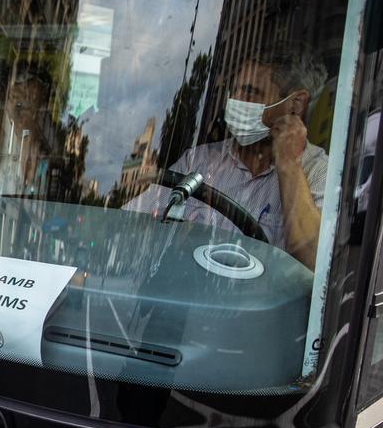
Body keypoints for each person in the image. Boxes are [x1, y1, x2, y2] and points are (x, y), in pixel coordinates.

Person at [124, 44, 329, 269]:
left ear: (295, 104)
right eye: (234, 91)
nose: (234, 101)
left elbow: (313, 261)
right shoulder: (199, 161)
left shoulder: (317, 171)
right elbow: (131, 222)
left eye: (250, 92)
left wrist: (289, 164)